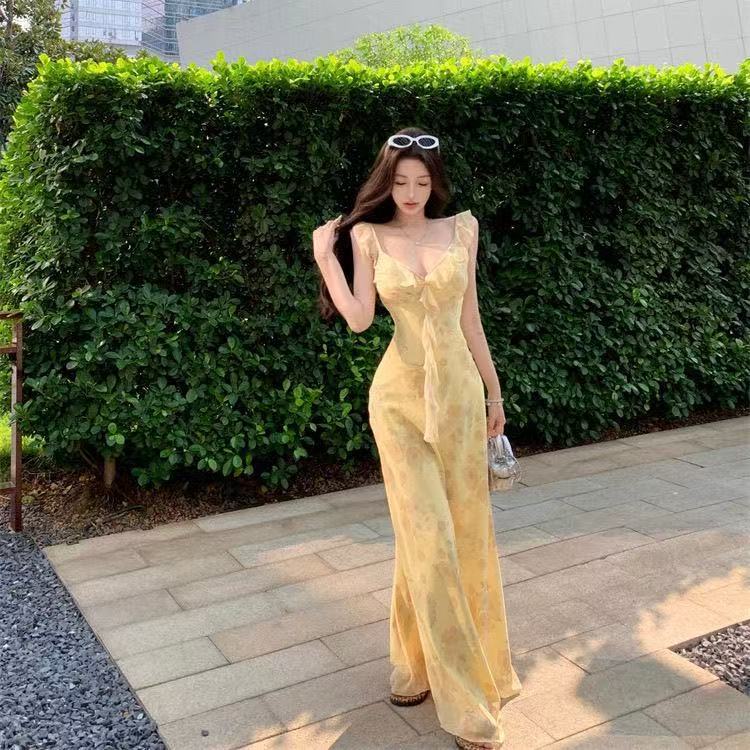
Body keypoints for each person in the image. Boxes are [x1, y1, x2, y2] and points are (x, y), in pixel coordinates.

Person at [313, 126, 522, 750]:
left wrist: (494, 394)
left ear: (435, 183)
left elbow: (471, 318)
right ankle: (467, 706)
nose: (409, 192)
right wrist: (325, 256)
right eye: (400, 181)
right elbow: (359, 320)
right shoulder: (367, 236)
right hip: (399, 402)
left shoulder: (463, 230)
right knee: (429, 539)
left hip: (459, 400)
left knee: (462, 536)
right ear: (388, 182)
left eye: (421, 182)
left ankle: (412, 666)